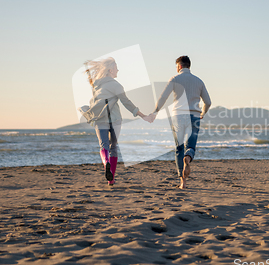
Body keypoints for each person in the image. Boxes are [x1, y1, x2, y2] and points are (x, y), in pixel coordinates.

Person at [81, 57, 152, 185]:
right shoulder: (116, 85)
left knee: (104, 146)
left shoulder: (96, 85)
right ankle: (111, 179)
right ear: (110, 70)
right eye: (116, 68)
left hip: (100, 119)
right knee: (113, 147)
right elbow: (127, 103)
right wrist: (142, 115)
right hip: (115, 120)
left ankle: (105, 162)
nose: (117, 70)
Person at [149, 56, 211, 189]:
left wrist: (155, 111)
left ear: (179, 66)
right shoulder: (199, 81)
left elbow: (163, 97)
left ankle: (182, 182)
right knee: (191, 147)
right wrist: (203, 113)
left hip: (178, 116)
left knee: (179, 148)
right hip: (194, 116)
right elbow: (208, 102)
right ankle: (188, 158)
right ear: (189, 66)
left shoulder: (175, 79)